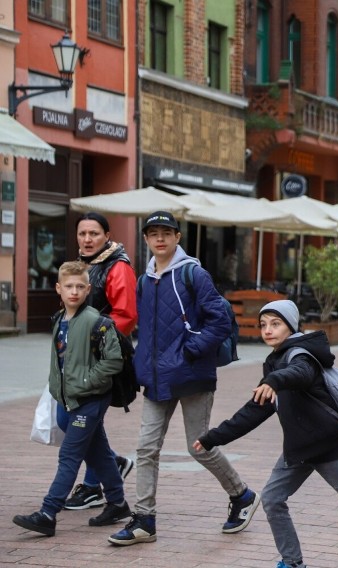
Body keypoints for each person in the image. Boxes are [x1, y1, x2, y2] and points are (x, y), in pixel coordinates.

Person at [193, 300, 338, 568]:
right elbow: (253, 412)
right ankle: (292, 562)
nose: (268, 330)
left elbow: (300, 374)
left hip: (328, 447)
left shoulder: (301, 355)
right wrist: (212, 437)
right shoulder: (273, 362)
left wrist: (274, 380)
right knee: (272, 499)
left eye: (275, 323)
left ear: (291, 326)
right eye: (263, 325)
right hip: (298, 450)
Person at [108, 211, 259, 546]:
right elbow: (145, 332)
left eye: (166, 232)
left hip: (192, 374)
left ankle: (242, 495)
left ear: (177, 237)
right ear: (146, 240)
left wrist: (190, 351)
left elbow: (219, 321)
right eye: (153, 233)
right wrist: (139, 369)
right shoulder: (144, 281)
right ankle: (144, 519)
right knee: (146, 448)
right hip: (156, 381)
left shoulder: (194, 274)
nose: (159, 238)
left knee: (200, 447)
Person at [13, 261, 128, 536]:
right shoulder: (58, 319)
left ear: (88, 289)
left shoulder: (96, 322)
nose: (74, 291)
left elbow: (114, 361)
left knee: (70, 455)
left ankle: (48, 513)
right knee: (98, 453)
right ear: (59, 289)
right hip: (68, 401)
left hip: (90, 399)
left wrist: (86, 382)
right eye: (69, 286)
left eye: (79, 287)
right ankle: (118, 503)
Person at [63, 212, 137, 512]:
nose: (87, 239)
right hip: (76, 358)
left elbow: (126, 316)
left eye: (94, 233)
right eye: (82, 234)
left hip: (102, 358)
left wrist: (91, 340)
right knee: (75, 420)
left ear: (107, 234)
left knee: (80, 419)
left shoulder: (117, 267)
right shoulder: (82, 266)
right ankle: (110, 466)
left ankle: (95, 485)